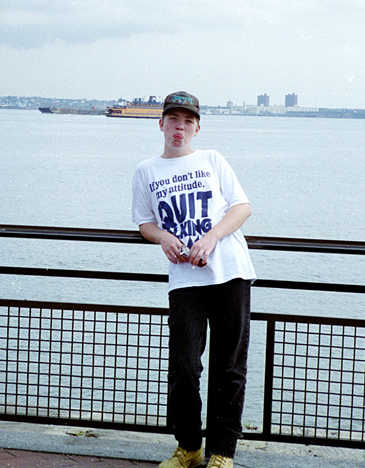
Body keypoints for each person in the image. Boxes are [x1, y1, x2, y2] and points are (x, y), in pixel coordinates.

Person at [131, 91, 256, 468]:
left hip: (230, 272)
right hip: (185, 280)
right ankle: (189, 447)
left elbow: (242, 207)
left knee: (229, 368)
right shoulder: (146, 170)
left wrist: (212, 236)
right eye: (173, 119)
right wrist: (164, 237)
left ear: (197, 128)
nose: (179, 127)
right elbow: (144, 222)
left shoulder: (212, 160)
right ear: (161, 125)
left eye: (187, 121)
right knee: (184, 366)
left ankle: (222, 453)